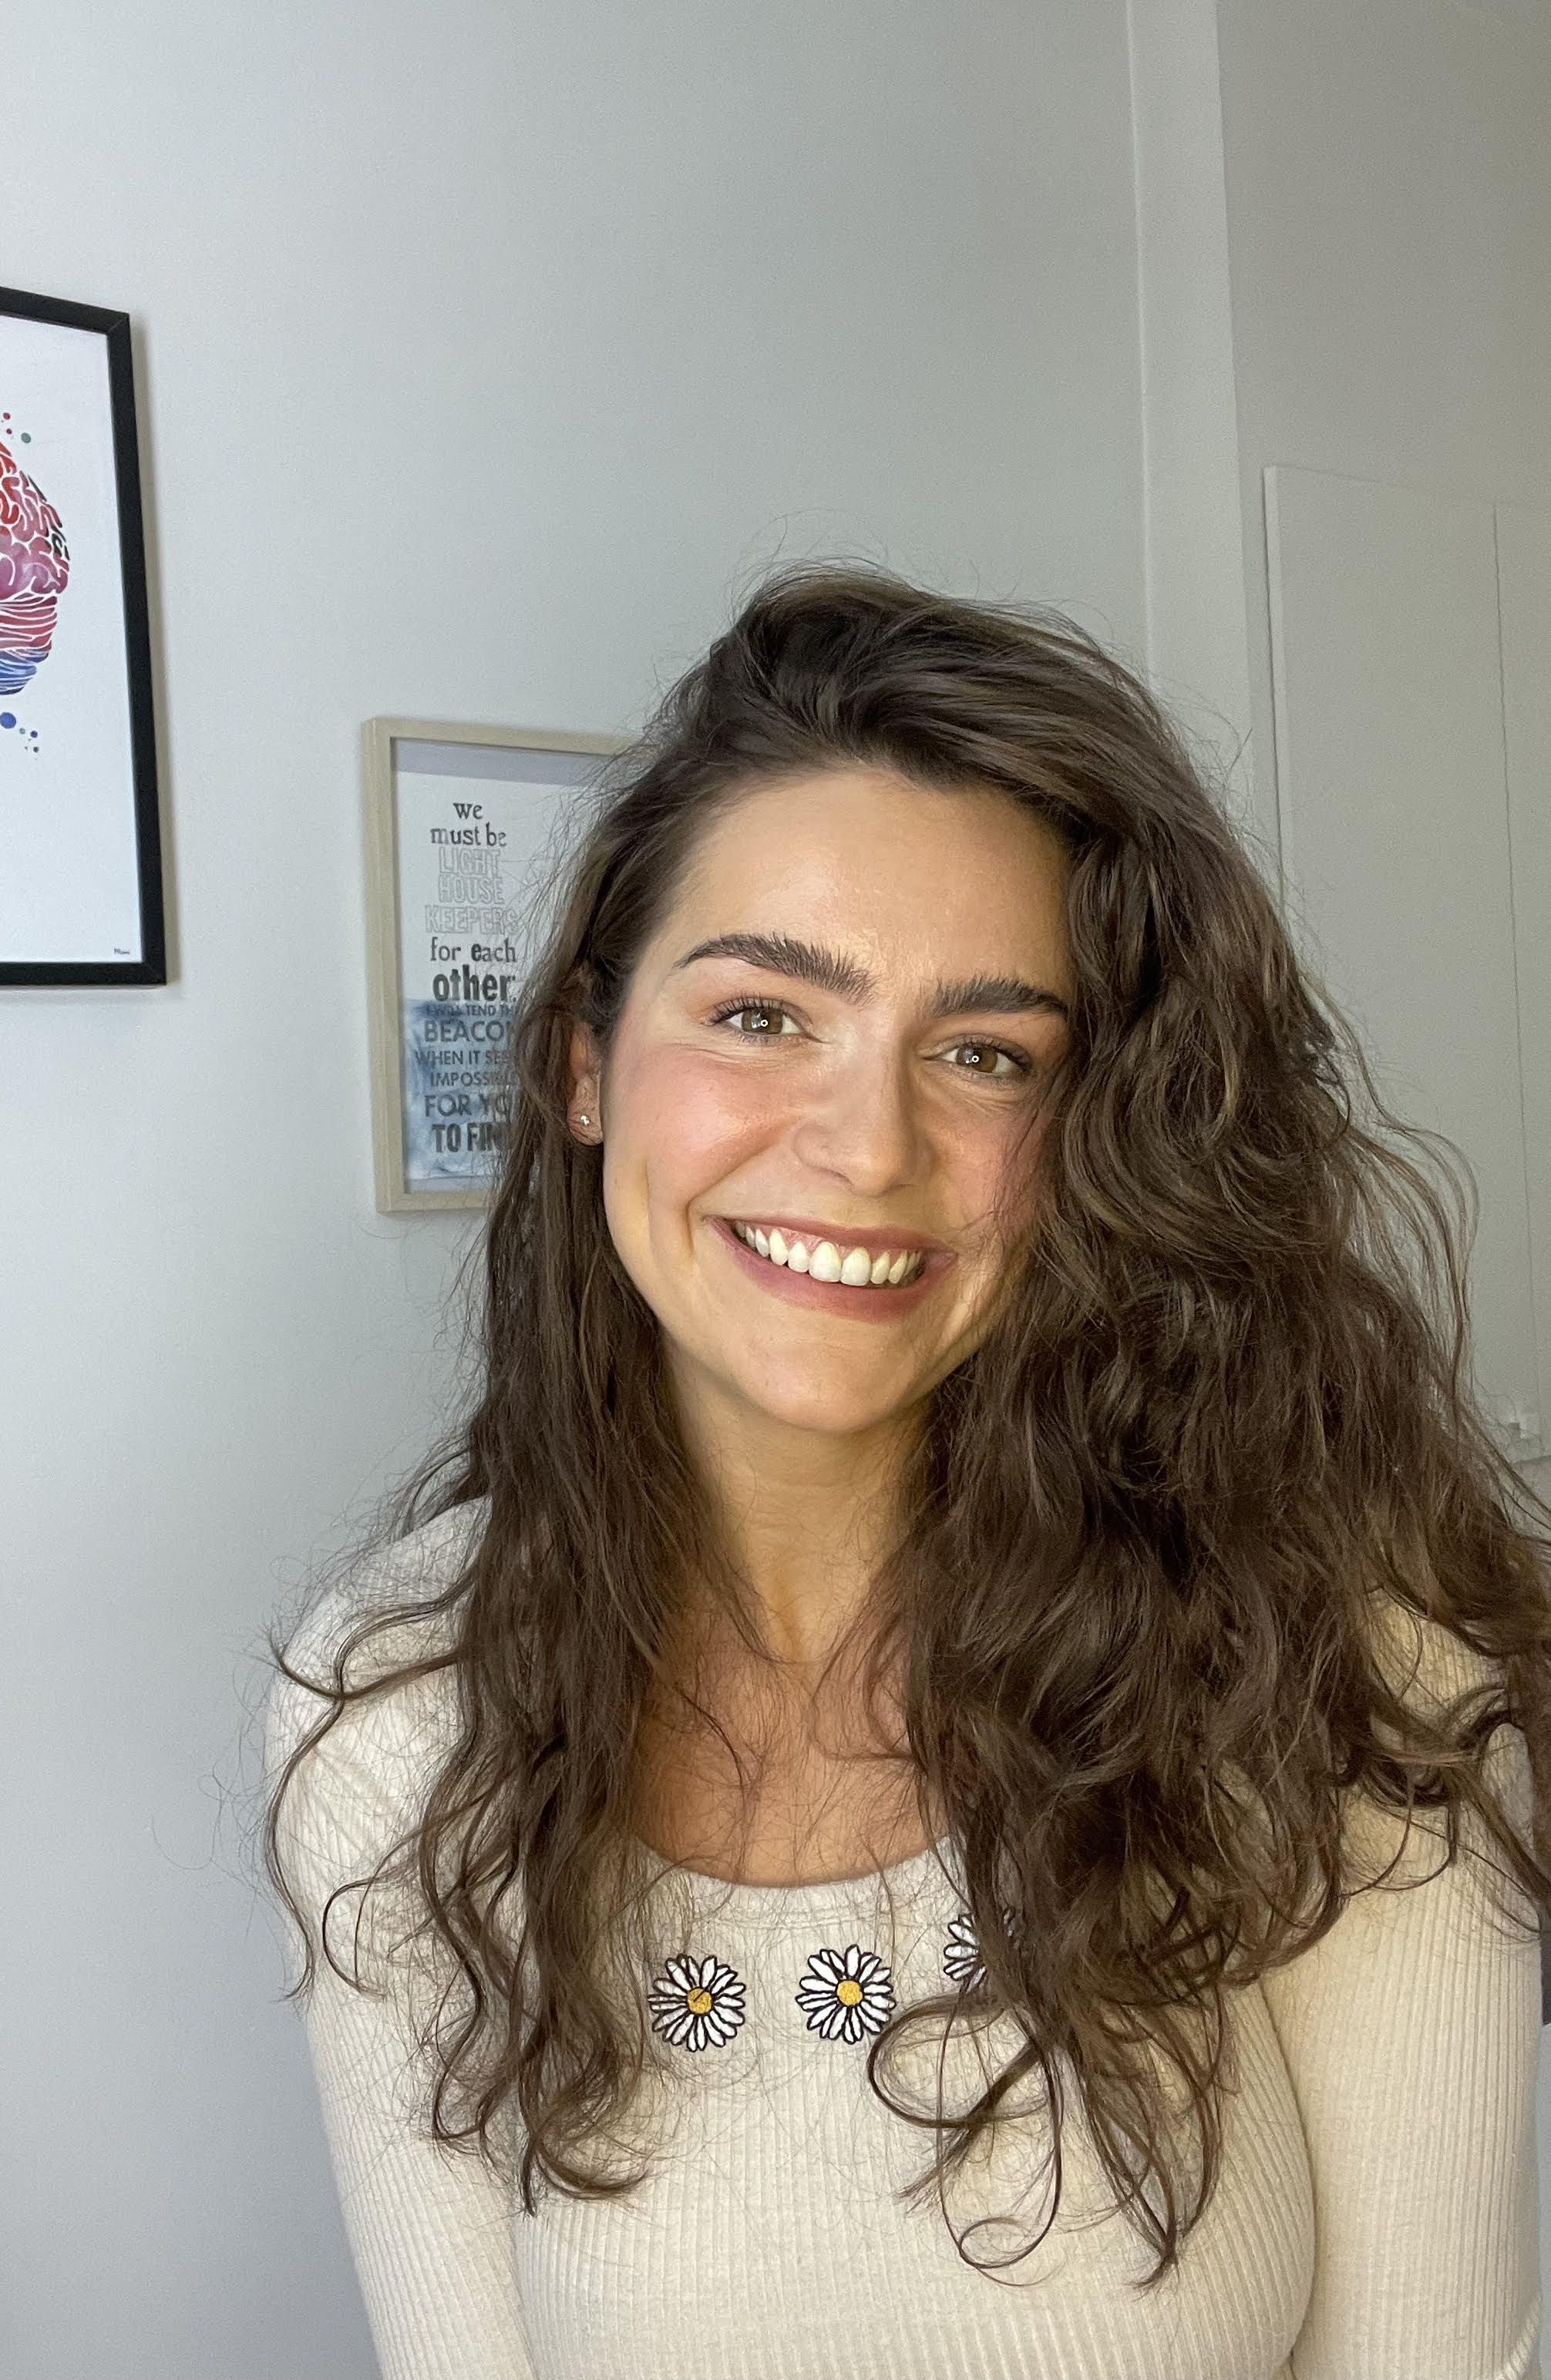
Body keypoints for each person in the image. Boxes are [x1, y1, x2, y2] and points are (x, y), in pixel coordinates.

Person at [267, 568, 1550, 2380]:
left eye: (984, 1053)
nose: (870, 1145)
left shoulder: (1344, 1672)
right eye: (760, 1015)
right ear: (584, 1068)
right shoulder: (394, 1706)